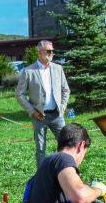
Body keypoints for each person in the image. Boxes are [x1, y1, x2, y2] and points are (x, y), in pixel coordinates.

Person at [16, 40, 70, 168]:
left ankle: (65, 171)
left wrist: (62, 108)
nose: (51, 54)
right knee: (40, 149)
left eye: (52, 51)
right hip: (39, 116)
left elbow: (66, 90)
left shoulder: (58, 68)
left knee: (66, 145)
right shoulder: (28, 71)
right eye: (48, 51)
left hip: (57, 115)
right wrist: (33, 112)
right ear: (40, 52)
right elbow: (19, 94)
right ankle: (42, 177)